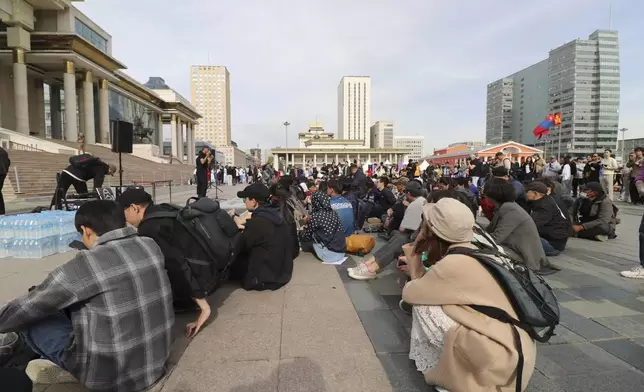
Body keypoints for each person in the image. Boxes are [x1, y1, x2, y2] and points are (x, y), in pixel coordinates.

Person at [0, 200, 174, 391]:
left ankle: (53, 361)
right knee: (61, 301)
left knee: (30, 316)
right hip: (155, 366)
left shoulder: (86, 264)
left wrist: (12, 310)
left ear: (86, 230)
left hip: (111, 380)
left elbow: (28, 308)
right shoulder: (150, 245)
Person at [401, 198, 536, 391]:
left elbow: (410, 293)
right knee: (444, 302)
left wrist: (415, 251)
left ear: (431, 230)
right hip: (518, 349)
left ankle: (452, 372)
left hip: (499, 361)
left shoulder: (454, 264)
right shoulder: (483, 250)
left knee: (424, 306)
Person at [119, 188, 237, 337]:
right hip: (215, 271)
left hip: (204, 282)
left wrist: (204, 307)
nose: (125, 220)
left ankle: (187, 302)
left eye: (124, 213)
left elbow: (176, 264)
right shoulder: (165, 209)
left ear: (134, 208)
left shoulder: (149, 227)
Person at [348, 181, 426, 280]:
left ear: (409, 194)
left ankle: (371, 267)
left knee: (399, 238)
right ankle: (369, 264)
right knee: (398, 237)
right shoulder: (423, 201)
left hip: (417, 239)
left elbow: (402, 229)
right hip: (419, 236)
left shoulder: (414, 205)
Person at [484, 178, 557, 274]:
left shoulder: (510, 209)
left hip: (524, 256)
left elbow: (496, 238)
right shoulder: (505, 206)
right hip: (516, 249)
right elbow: (489, 230)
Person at [230, 183, 294, 290]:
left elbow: (241, 247)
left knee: (229, 264)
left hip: (265, 279)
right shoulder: (275, 214)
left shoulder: (258, 222)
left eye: (245, 199)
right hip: (282, 272)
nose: (245, 202)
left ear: (254, 201)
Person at [50, 156, 116, 210]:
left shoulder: (96, 163)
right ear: (109, 170)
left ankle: (53, 208)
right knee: (84, 197)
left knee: (59, 193)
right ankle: (85, 211)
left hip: (66, 172)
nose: (108, 174)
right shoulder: (102, 169)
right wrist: (96, 195)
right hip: (78, 177)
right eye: (110, 173)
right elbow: (97, 186)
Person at [525, 181, 572, 256]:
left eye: (527, 192)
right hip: (554, 238)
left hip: (552, 243)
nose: (525, 194)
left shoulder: (544, 206)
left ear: (535, 193)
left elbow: (533, 225)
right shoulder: (545, 200)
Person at [299, 192, 347, 263]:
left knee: (305, 239)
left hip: (329, 255)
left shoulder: (316, 216)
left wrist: (300, 231)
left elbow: (307, 236)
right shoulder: (334, 212)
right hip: (342, 252)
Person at [0, 146, 9, 215]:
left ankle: (1, 212)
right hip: (2, 173)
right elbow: (8, 162)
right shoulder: (3, 151)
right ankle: (1, 212)